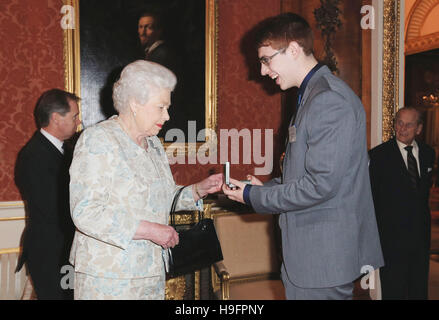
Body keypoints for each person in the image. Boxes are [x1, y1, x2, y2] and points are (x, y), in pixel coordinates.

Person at [223, 13, 384, 300]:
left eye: (266, 59)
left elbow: (320, 186)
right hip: (312, 256)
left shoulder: (328, 100)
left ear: (294, 49)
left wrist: (253, 197)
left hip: (322, 258)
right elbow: (304, 176)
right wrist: (264, 188)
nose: (263, 71)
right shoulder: (312, 95)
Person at [69, 60, 223, 300]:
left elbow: (163, 198)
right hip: (109, 278)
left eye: (167, 107)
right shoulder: (98, 140)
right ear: (135, 104)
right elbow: (86, 211)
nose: (168, 115)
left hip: (150, 274)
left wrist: (197, 190)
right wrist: (150, 230)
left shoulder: (153, 144)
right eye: (161, 107)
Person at [15, 89, 80, 300]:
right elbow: (53, 209)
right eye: (74, 116)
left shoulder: (64, 150)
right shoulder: (33, 156)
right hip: (49, 252)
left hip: (61, 250)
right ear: (55, 118)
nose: (79, 122)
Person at [369, 107, 436, 299]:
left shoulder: (427, 153)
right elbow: (372, 199)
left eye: (409, 124)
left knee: (418, 291)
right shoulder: (378, 156)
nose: (403, 128)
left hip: (420, 240)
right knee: (394, 291)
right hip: (391, 241)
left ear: (419, 129)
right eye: (399, 122)